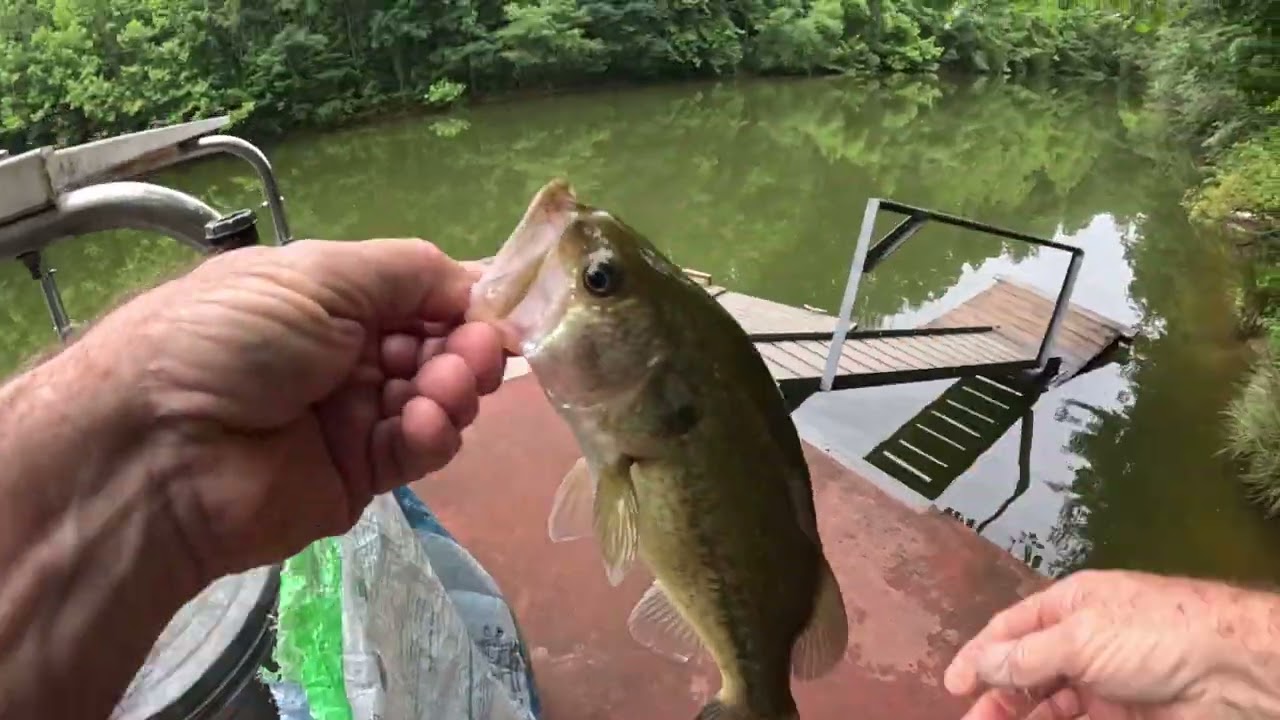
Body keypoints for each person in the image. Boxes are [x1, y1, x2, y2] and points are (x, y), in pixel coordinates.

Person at [0, 238, 1276, 720]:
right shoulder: (646, 415)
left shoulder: (660, 415)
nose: (577, 277)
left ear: (657, 387)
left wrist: (136, 464)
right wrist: (146, 444)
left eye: (598, 284)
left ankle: (746, 695)